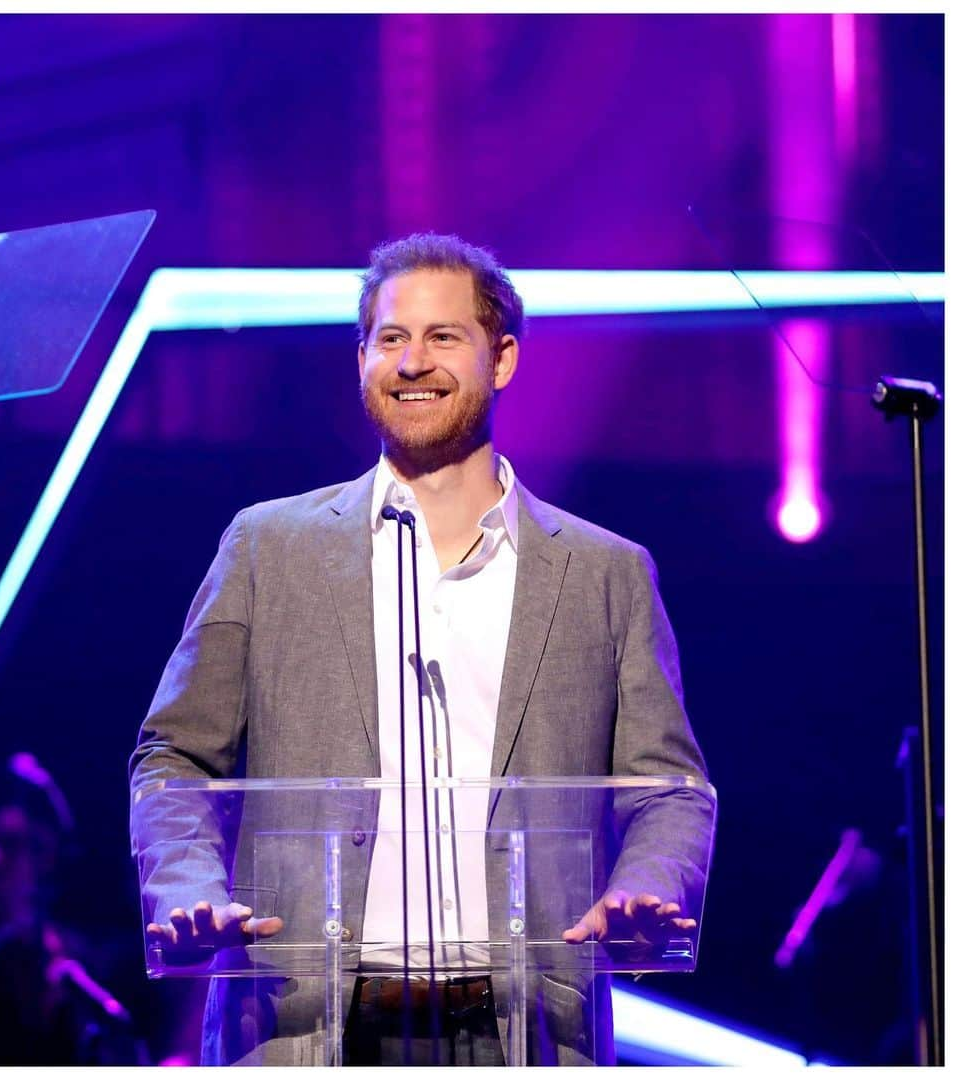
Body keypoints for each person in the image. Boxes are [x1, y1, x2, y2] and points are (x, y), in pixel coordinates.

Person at [129, 233, 709, 1065]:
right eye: (390, 339)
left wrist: (645, 887)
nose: (412, 362)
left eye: (443, 338)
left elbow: (669, 789)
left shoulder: (606, 573)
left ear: (501, 359)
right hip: (308, 1023)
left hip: (521, 1027)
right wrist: (188, 888)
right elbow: (174, 756)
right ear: (360, 359)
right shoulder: (267, 547)